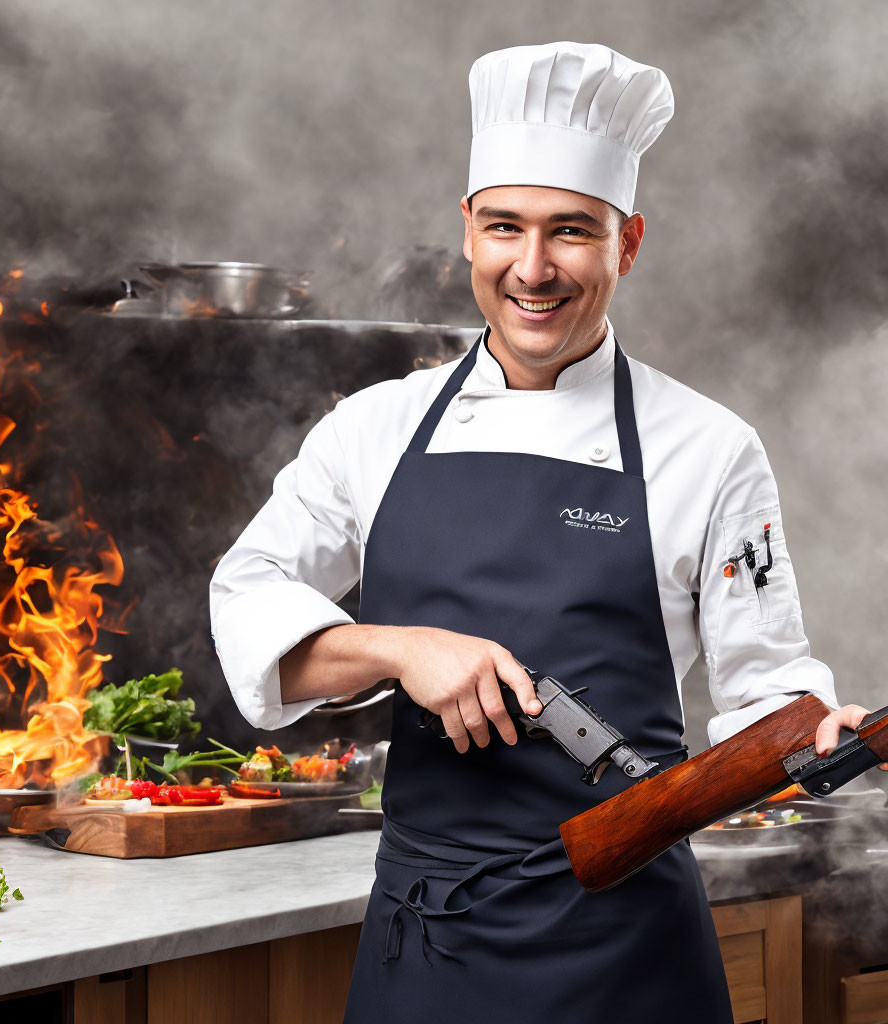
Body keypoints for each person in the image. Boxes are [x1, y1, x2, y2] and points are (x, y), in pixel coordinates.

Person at [210, 41, 874, 1023]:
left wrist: (819, 732)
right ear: (466, 234)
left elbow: (764, 687)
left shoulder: (708, 448)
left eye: (571, 231)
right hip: (426, 947)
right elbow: (249, 610)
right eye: (503, 228)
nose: (532, 268)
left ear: (627, 242)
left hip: (628, 952)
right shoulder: (373, 428)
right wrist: (401, 648)